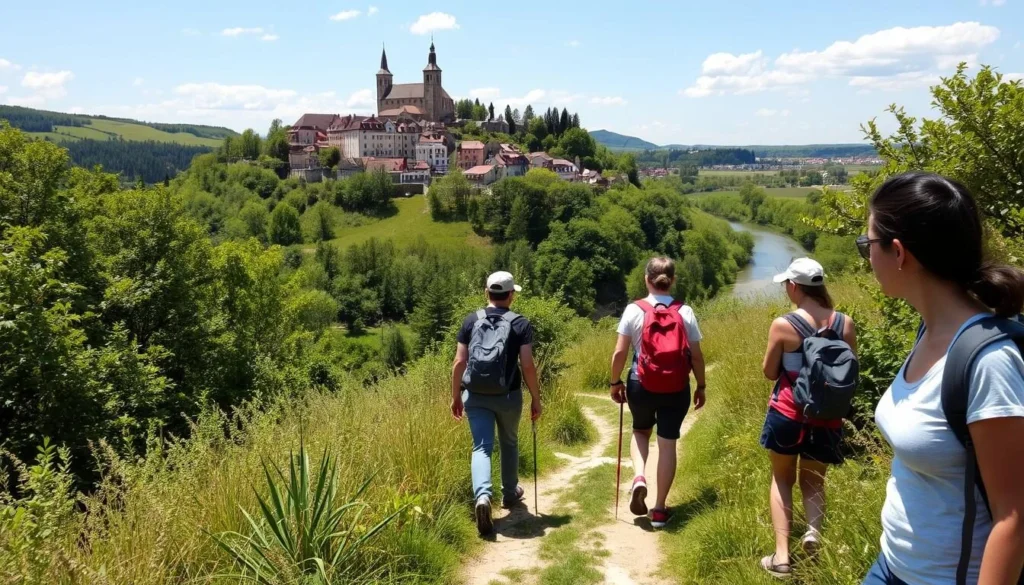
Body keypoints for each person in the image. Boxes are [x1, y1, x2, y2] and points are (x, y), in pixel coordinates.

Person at [859, 172, 1024, 585]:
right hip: (892, 566)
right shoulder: (929, 332)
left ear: (898, 253)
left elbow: (1015, 517)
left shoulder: (989, 363)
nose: (866, 258)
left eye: (867, 245)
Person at [759, 257, 858, 578]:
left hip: (788, 413)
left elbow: (769, 371)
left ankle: (782, 557)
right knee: (814, 480)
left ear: (793, 286)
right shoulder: (845, 324)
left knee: (781, 478)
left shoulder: (784, 324)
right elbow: (849, 373)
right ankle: (813, 532)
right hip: (827, 417)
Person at [609, 257, 706, 529]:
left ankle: (639, 476)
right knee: (667, 443)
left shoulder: (634, 310)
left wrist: (615, 382)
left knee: (640, 431)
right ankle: (660, 509)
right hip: (676, 386)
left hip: (641, 383)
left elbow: (619, 352)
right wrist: (701, 385)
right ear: (673, 280)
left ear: (646, 279)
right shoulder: (684, 312)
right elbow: (696, 357)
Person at [451, 271, 542, 537]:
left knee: (481, 447)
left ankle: (482, 497)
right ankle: (510, 493)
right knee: (509, 441)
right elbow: (527, 364)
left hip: (475, 395)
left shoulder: (471, 320)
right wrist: (536, 397)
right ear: (511, 295)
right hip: (508, 396)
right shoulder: (520, 323)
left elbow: (459, 362)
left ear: (486, 292)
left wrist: (456, 395)